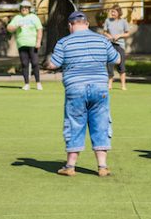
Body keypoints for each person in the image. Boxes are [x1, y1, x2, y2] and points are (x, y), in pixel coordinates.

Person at [46, 11, 119, 177]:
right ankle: (102, 166)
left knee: (74, 124)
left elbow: (53, 64)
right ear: (86, 24)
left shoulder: (63, 42)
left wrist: (46, 61)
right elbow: (116, 59)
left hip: (75, 89)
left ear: (70, 25)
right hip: (100, 88)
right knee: (101, 124)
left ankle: (70, 166)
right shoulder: (102, 40)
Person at [6, 0, 43, 91]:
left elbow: (39, 29)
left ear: (29, 9)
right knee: (24, 64)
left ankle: (38, 83)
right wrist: (16, 26)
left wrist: (38, 42)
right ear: (20, 9)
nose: (24, 9)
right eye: (23, 7)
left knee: (35, 63)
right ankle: (26, 84)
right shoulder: (17, 18)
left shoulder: (34, 17)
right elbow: (9, 28)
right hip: (22, 44)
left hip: (32, 44)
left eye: (26, 8)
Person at [102, 5, 130, 90]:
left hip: (120, 45)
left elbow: (127, 33)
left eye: (114, 11)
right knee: (109, 64)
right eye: (111, 11)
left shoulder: (123, 21)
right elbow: (104, 32)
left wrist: (119, 35)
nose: (112, 13)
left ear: (119, 12)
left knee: (121, 65)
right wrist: (109, 36)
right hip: (110, 45)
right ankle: (109, 85)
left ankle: (123, 85)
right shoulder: (107, 21)